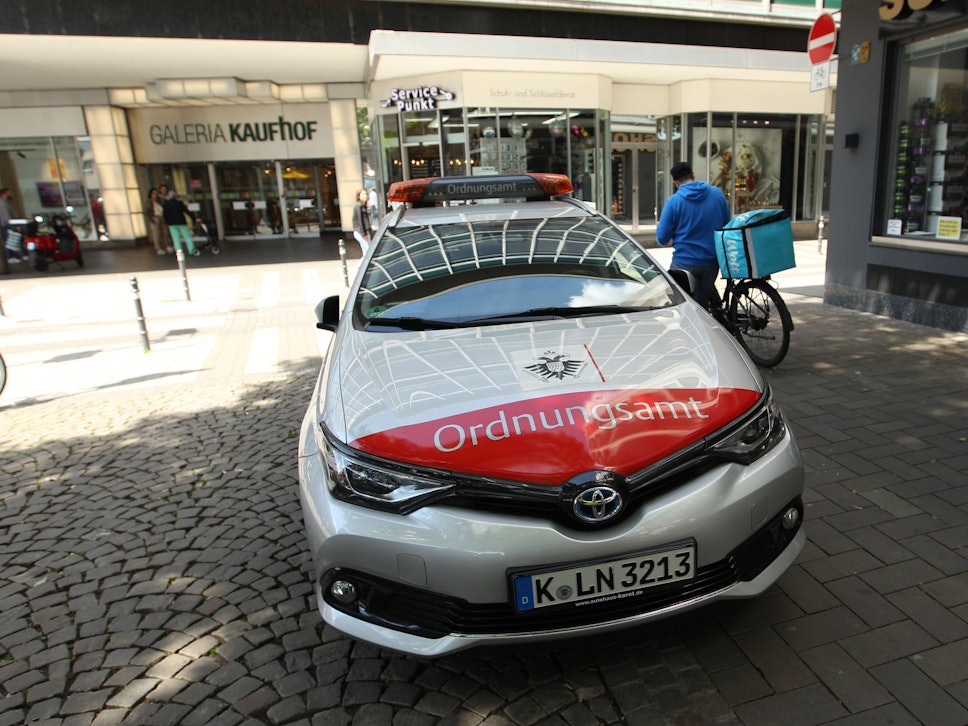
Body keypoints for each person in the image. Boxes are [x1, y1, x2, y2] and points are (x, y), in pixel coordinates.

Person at [656, 161, 731, 308]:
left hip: (684, 263)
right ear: (693, 175)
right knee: (702, 302)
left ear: (676, 182)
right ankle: (717, 312)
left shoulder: (674, 202)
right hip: (711, 262)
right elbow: (727, 224)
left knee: (684, 307)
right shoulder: (717, 194)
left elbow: (662, 239)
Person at [162, 192, 201, 257]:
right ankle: (191, 250)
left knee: (176, 238)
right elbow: (186, 211)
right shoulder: (179, 203)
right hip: (181, 222)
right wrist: (194, 218)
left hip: (172, 224)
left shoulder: (166, 204)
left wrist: (167, 222)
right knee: (187, 237)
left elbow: (165, 215)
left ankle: (179, 252)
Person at [146, 187, 169, 254]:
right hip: (154, 218)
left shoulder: (160, 200)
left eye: (156, 193)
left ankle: (166, 245)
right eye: (153, 193)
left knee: (165, 232)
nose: (155, 195)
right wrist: (152, 217)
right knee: (156, 233)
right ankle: (158, 248)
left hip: (161, 216)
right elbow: (147, 212)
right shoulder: (148, 202)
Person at [0, 188, 19, 263]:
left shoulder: (5, 203)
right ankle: (10, 257)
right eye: (9, 193)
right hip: (7, 225)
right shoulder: (2, 204)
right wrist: (13, 224)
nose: (10, 194)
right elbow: (7, 216)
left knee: (9, 240)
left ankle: (11, 256)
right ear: (4, 194)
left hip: (7, 224)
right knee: (9, 241)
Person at [352, 188, 370, 254]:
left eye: (366, 194)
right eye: (363, 194)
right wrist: (364, 234)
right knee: (368, 252)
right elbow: (360, 221)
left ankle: (363, 264)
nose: (365, 196)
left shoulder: (363, 205)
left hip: (363, 232)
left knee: (366, 252)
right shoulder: (358, 206)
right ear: (358, 196)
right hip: (360, 232)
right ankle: (361, 264)